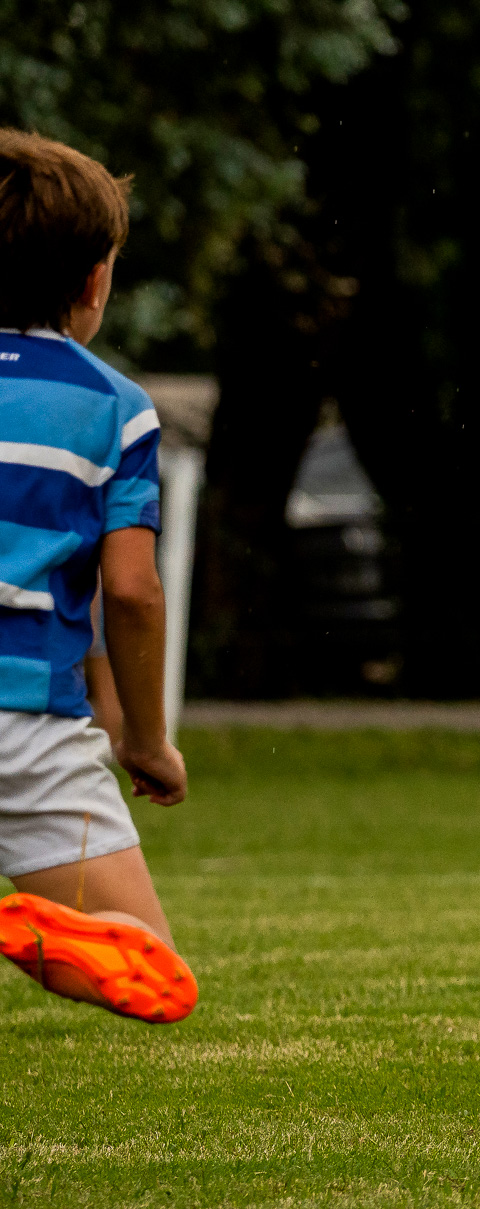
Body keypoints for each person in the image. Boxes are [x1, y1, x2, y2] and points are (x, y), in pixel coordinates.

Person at [0, 130, 196, 1023]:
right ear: (93, 281)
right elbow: (129, 591)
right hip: (33, 730)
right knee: (153, 971)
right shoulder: (114, 407)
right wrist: (145, 742)